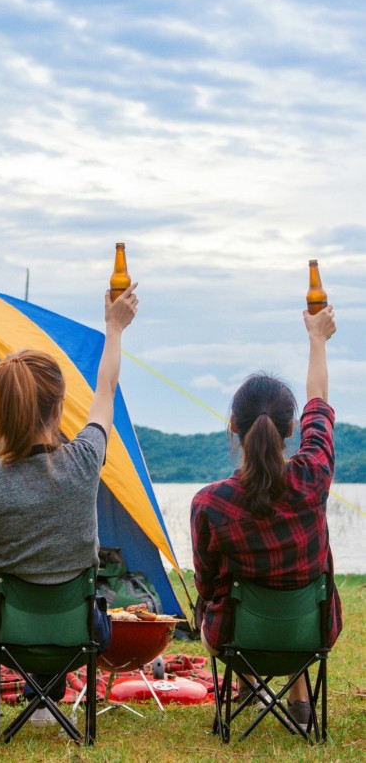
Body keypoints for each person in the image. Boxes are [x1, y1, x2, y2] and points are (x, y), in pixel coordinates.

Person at [0, 283, 139, 731]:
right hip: (82, 633)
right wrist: (114, 328)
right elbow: (106, 389)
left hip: (4, 632)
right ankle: (45, 701)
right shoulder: (86, 460)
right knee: (52, 581)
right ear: (59, 408)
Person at [190, 304, 341, 726]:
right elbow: (319, 404)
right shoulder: (313, 475)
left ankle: (246, 688)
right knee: (288, 593)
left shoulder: (209, 502)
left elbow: (206, 583)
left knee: (223, 597)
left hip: (237, 639)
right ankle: (300, 699)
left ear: (234, 428)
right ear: (291, 429)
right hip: (310, 634)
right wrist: (317, 339)